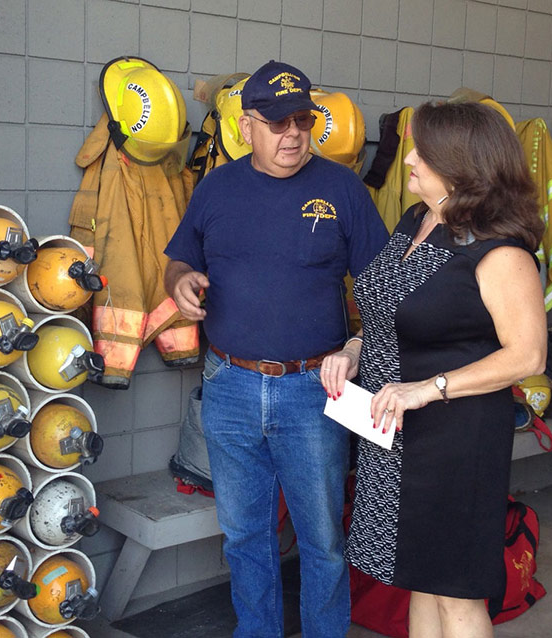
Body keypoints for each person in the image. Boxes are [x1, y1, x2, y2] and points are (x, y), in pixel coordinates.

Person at [164, 60, 388, 638]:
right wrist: (181, 281)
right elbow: (179, 259)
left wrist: (361, 343)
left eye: (302, 121)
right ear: (246, 127)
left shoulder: (343, 189)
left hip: (314, 390)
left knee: (323, 541)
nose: (293, 134)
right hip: (229, 386)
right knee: (244, 536)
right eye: (277, 122)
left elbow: (386, 290)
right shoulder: (216, 187)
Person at [320, 101, 547, 638]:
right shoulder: (418, 220)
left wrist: (430, 388)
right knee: (418, 579)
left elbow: (528, 354)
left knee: (457, 595)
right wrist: (354, 349)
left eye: (424, 151)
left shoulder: (499, 251)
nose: (411, 159)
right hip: (394, 432)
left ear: (461, 165)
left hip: (455, 440)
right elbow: (388, 310)